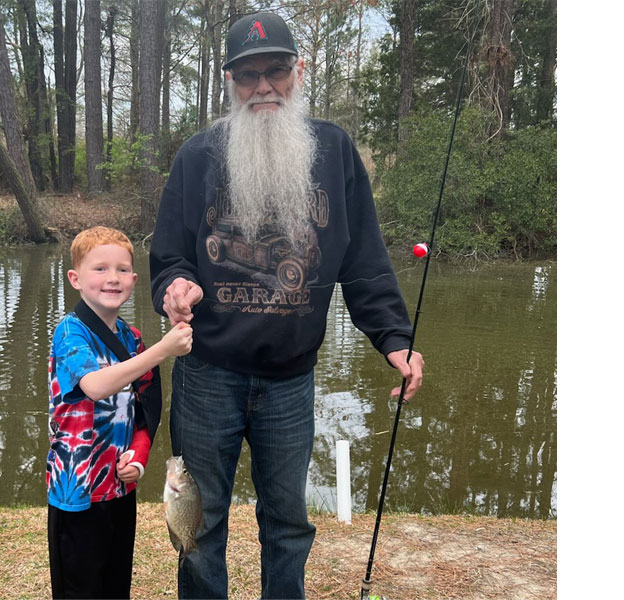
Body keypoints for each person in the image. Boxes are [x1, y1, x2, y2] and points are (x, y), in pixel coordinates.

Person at [149, 11, 425, 600]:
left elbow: (366, 262)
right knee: (200, 523)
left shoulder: (334, 151)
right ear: (230, 82)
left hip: (291, 382)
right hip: (207, 375)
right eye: (248, 76)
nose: (264, 87)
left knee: (288, 526)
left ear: (300, 70)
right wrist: (173, 288)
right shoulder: (197, 157)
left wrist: (394, 339)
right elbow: (169, 256)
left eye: (276, 71)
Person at [46, 226, 193, 599]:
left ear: (133, 279)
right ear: (75, 279)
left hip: (120, 488)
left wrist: (140, 459)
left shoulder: (133, 339)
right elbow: (95, 385)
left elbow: (147, 409)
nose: (112, 278)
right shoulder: (70, 332)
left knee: (116, 587)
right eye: (100, 269)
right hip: (76, 492)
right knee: (80, 590)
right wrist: (163, 350)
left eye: (122, 269)